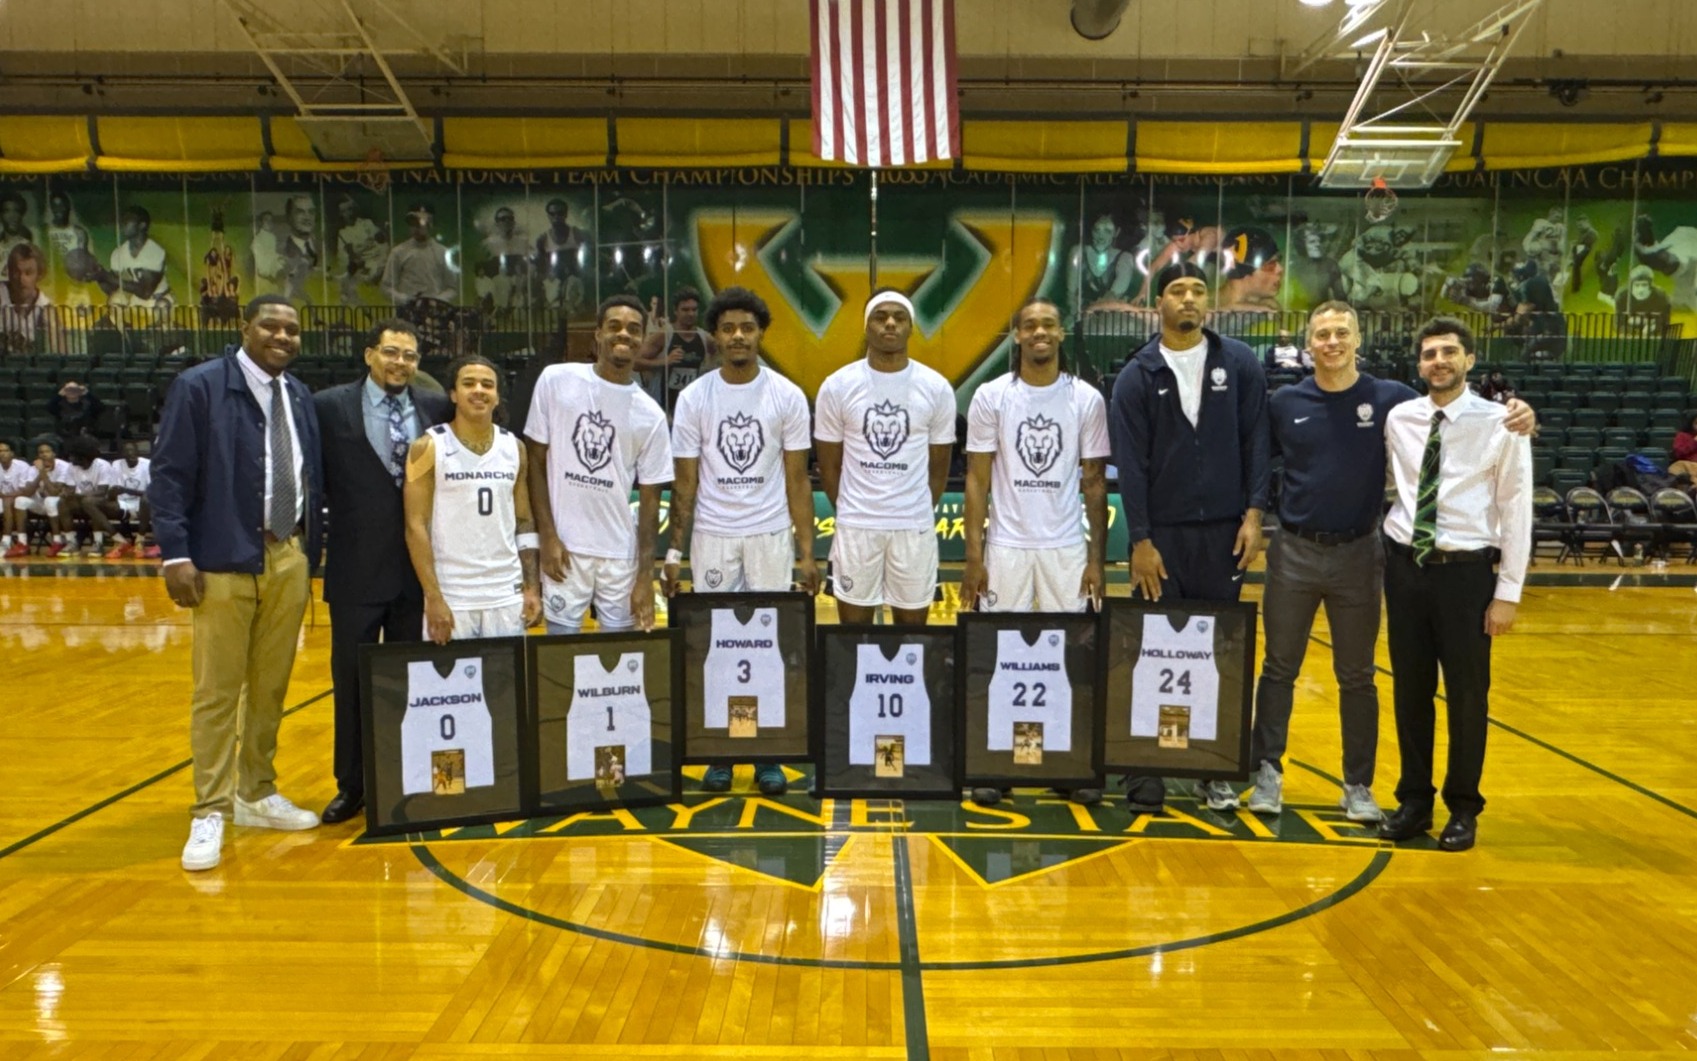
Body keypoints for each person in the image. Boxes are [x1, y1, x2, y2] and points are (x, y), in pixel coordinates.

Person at [1245, 301, 1535, 821]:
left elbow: (1467, 420)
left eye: (1341, 333)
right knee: (1278, 668)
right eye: (1322, 334)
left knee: (1358, 675)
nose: (1331, 342)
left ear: (1358, 340)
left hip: (1362, 554)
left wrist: (1521, 413)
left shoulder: (1390, 401)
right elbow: (1254, 464)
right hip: (1294, 551)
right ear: (1308, 344)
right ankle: (1267, 771)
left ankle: (1357, 784)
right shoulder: (1285, 401)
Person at [149, 294, 326, 872]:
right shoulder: (200, 387)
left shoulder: (296, 395)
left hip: (286, 554)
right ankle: (210, 808)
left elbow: (305, 476)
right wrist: (175, 553)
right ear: (245, 328)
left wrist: (307, 551)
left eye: (292, 329)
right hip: (222, 557)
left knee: (271, 685)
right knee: (218, 691)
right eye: (271, 325)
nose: (283, 336)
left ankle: (257, 789)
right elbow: (170, 475)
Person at [1108, 261, 1269, 813]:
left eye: (1198, 290)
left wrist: (1253, 516)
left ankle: (1211, 767)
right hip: (1164, 538)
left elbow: (1257, 444)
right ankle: (1143, 771)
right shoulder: (1137, 375)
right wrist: (1141, 541)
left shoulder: (1239, 363)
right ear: (1159, 304)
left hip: (1225, 532)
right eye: (1176, 291)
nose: (1188, 299)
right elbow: (1130, 468)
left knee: (1218, 652)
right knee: (1148, 650)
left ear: (1209, 302)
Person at [1377, 316, 1531, 852]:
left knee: (1468, 696)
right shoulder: (1399, 417)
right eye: (1428, 354)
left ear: (1469, 360)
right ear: (1418, 365)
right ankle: (1414, 800)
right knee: (1410, 691)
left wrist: (1508, 592)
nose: (1437, 361)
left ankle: (1463, 806)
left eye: (1448, 352)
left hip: (1466, 574)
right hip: (1405, 566)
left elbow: (1516, 510)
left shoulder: (1503, 424)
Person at [661, 285, 818, 796]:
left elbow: (798, 481)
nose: (737, 336)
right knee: (716, 648)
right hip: (712, 536)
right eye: (727, 328)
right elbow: (684, 483)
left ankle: (767, 751)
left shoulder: (787, 395)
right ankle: (720, 752)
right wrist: (673, 552)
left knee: (769, 646)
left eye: (747, 328)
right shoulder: (694, 398)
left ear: (760, 334)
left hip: (770, 536)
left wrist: (807, 553)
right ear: (715, 335)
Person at [960, 296, 1110, 806]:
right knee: (1003, 658)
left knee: (1067, 661)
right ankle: (997, 762)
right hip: (1006, 546)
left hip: (1066, 548)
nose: (1039, 332)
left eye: (1048, 324)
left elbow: (1094, 483)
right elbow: (977, 480)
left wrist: (1095, 560)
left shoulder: (1086, 399)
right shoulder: (991, 396)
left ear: (1061, 333)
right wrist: (974, 558)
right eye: (1030, 326)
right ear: (1017, 336)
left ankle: (1067, 764)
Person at [313, 318, 452, 825]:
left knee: (410, 682)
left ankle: (406, 777)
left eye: (410, 356)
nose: (401, 363)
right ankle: (352, 785)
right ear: (370, 354)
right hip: (354, 571)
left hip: (417, 574)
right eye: (392, 352)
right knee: (350, 682)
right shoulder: (328, 407)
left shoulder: (435, 408)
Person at [524, 295, 672, 635]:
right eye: (614, 326)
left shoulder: (650, 415)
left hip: (619, 554)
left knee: (618, 660)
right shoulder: (556, 380)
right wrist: (547, 535)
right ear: (597, 334)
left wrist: (645, 576)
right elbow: (535, 460)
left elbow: (650, 503)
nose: (624, 335)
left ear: (643, 340)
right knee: (559, 655)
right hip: (565, 547)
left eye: (634, 329)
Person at [814, 290, 956, 626]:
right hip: (857, 527)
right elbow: (829, 466)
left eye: (898, 317)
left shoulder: (936, 388)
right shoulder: (837, 386)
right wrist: (853, 509)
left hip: (913, 528)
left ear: (910, 327)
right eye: (880, 316)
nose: (889, 323)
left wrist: (912, 508)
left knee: (912, 633)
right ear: (866, 327)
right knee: (852, 635)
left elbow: (939, 469)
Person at [405, 355, 541, 643]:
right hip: (453, 593)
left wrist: (531, 587)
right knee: (450, 687)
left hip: (505, 591)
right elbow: (415, 526)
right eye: (468, 383)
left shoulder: (514, 448)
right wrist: (433, 597)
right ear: (453, 394)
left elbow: (524, 520)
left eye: (487, 385)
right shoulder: (428, 446)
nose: (478, 390)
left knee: (505, 685)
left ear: (496, 397)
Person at [637, 287, 715, 415]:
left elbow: (719, 359)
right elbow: (636, 363)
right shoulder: (664, 335)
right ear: (676, 311)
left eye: (694, 309)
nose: (690, 313)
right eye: (685, 310)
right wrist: (664, 361)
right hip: (663, 409)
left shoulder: (705, 338)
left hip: (692, 410)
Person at [380, 204, 458, 306]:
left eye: (419, 224)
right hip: (406, 312)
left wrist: (437, 300)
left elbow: (452, 288)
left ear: (430, 224)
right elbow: (386, 286)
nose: (415, 228)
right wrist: (404, 299)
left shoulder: (443, 252)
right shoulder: (398, 252)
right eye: (412, 224)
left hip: (434, 312)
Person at [254, 195, 319, 303]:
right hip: (285, 284)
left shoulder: (322, 247)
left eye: (311, 212)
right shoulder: (281, 248)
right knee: (286, 302)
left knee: (308, 300)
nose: (307, 217)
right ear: (289, 217)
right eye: (300, 212)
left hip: (294, 285)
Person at [105, 206, 173, 311]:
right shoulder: (118, 252)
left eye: (128, 220)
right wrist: (97, 274)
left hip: (159, 301)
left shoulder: (154, 251)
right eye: (123, 220)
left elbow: (145, 292)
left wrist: (110, 278)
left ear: (142, 225)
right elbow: (110, 287)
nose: (124, 224)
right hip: (137, 301)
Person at [1068, 212, 1138, 314]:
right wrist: (1074, 314)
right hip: (1078, 315)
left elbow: (1112, 298)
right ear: (1091, 230)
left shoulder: (1124, 258)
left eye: (1107, 231)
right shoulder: (1077, 252)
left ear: (1116, 232)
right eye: (1097, 230)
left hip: (1110, 319)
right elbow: (1070, 294)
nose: (1101, 236)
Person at [62, 434, 118, 556]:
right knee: (62, 503)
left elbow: (102, 491)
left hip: (107, 503)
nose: (70, 458)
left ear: (83, 457)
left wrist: (79, 496)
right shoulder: (72, 467)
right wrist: (66, 493)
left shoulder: (102, 466)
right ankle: (71, 542)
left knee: (90, 502)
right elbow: (71, 489)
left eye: (73, 455)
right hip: (82, 500)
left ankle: (98, 543)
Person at [18, 441, 75, 557]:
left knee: (50, 500)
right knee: (20, 500)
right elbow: (27, 493)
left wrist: (42, 472)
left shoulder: (64, 467)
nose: (44, 455)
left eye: (47, 451)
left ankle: (57, 541)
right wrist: (40, 474)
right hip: (40, 503)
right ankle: (22, 543)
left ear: (54, 454)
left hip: (60, 505)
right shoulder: (33, 468)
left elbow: (54, 492)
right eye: (41, 452)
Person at [534, 198, 590, 313]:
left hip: (575, 280)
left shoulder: (577, 234)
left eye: (560, 213)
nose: (556, 217)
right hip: (554, 282)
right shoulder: (543, 239)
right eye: (552, 213)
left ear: (566, 214)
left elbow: (588, 257)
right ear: (548, 216)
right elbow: (540, 265)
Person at [335, 196, 390, 305]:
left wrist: (382, 233)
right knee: (347, 289)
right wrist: (354, 260)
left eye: (350, 209)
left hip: (378, 261)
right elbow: (345, 259)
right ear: (341, 214)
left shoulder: (366, 224)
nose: (349, 213)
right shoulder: (343, 234)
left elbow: (381, 241)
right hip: (362, 269)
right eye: (344, 211)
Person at [1218, 225, 1284, 313]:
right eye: (1270, 265)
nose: (1280, 269)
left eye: (1278, 262)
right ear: (1244, 270)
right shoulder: (1206, 305)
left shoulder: (1269, 308)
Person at [108, 439, 156, 558]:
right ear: (122, 454)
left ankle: (140, 540)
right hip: (122, 503)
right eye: (127, 451)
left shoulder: (147, 464)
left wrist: (125, 490)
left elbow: (151, 492)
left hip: (142, 503)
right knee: (91, 503)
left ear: (138, 452)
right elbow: (112, 491)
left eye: (133, 450)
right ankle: (120, 540)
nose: (130, 453)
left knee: (147, 498)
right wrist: (112, 492)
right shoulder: (116, 464)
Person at [2, 242, 53, 352]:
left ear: (39, 275)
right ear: (9, 273)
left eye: (28, 273)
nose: (21, 279)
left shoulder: (46, 309)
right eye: (16, 272)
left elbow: (57, 354)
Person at [0, 440, 40, 558]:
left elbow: (24, 491)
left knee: (9, 502)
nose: (2, 453)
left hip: (22, 499)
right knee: (6, 502)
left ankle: (6, 541)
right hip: (4, 499)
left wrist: (7, 497)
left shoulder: (22, 466)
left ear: (12, 453)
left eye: (5, 451)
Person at [1670, 412, 1697, 480]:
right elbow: (1679, 453)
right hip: (1687, 466)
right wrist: (1694, 442)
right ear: (1691, 424)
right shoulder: (1682, 436)